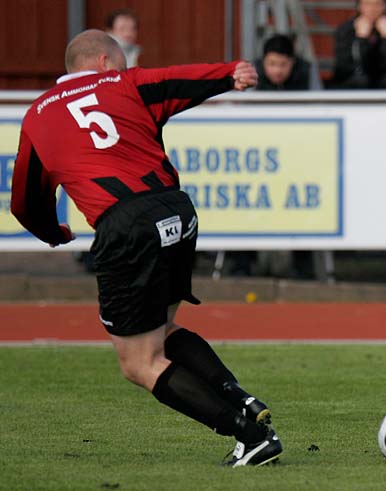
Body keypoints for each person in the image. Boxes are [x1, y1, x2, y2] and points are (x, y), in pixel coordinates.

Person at [10, 29, 282, 467]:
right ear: (103, 61)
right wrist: (228, 74)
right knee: (164, 329)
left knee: (138, 362)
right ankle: (242, 399)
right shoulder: (124, 84)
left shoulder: (39, 116)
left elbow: (24, 200)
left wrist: (54, 232)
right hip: (177, 210)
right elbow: (174, 81)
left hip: (126, 224)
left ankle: (248, 435)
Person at [332, 0, 386, 89]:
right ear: (359, 6)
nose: (372, 9)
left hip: (382, 80)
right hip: (351, 81)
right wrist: (360, 39)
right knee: (360, 80)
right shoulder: (346, 29)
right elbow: (344, 67)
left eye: (378, 4)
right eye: (367, 4)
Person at [254, 33, 322, 90]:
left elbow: (318, 101)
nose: (277, 70)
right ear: (263, 61)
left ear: (293, 62)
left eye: (283, 64)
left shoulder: (307, 71)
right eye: (272, 64)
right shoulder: (253, 72)